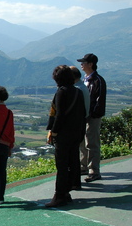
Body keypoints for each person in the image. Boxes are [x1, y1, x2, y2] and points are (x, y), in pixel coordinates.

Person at [46, 65, 86, 208]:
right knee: (72, 162)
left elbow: (59, 115)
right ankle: (67, 192)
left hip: (63, 135)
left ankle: (59, 195)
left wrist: (53, 131)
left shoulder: (61, 93)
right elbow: (82, 114)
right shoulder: (78, 92)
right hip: (76, 133)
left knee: (62, 165)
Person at [77, 53, 107, 183]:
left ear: (91, 64)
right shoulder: (86, 79)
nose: (81, 64)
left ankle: (94, 170)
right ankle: (84, 166)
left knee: (92, 143)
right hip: (84, 116)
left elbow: (100, 100)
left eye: (84, 62)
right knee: (83, 142)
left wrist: (93, 114)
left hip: (93, 117)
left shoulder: (98, 80)